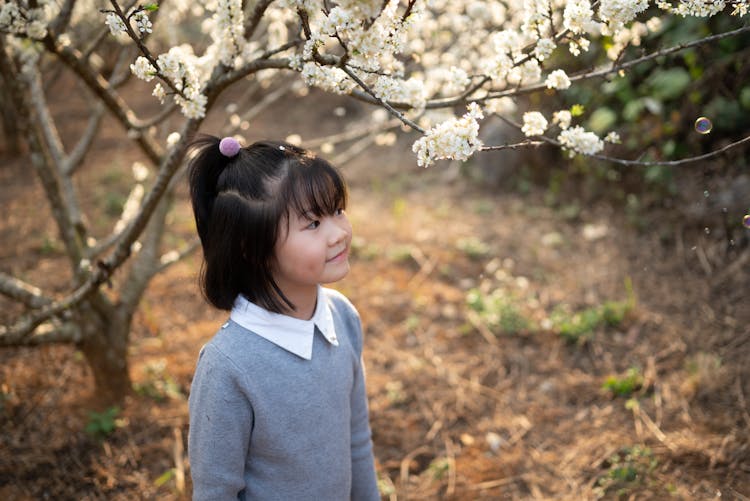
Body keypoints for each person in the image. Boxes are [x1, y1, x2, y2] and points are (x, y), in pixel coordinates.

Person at [186, 136, 380, 501]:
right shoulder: (228, 367)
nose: (339, 233)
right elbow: (215, 491)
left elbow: (356, 439)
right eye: (313, 224)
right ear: (252, 247)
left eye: (337, 210)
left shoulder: (341, 316)